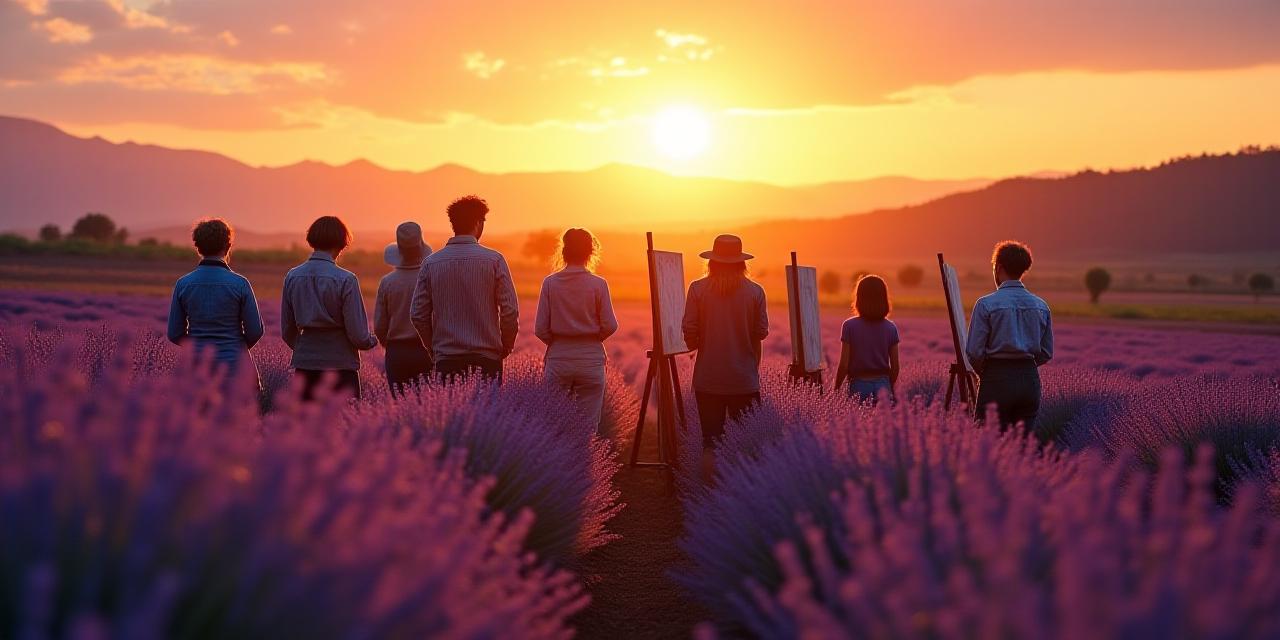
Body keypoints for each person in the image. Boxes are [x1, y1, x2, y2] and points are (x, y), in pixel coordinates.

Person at [411, 195, 518, 382]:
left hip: (447, 358)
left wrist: (432, 347)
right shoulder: (494, 260)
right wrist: (506, 345)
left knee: (449, 403)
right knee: (487, 402)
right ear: (478, 223)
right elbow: (510, 310)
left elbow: (418, 314)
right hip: (487, 358)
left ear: (453, 223)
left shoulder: (431, 263)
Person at [682, 234, 769, 451]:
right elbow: (760, 332)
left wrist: (702, 340)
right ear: (742, 263)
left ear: (711, 262)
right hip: (744, 380)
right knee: (747, 447)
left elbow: (690, 333)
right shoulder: (756, 292)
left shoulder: (697, 289)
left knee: (710, 444)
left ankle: (710, 475)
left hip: (708, 379)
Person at [281, 216, 378, 400]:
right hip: (341, 366)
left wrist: (306, 349)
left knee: (305, 417)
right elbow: (358, 335)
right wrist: (372, 340)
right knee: (345, 417)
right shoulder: (346, 279)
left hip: (305, 366)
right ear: (341, 244)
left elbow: (287, 330)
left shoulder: (292, 276)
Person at [966, 240, 1054, 432]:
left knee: (990, 441)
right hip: (1029, 380)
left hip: (996, 377)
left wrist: (987, 372)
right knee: (1024, 442)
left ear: (998, 268)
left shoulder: (986, 304)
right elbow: (1047, 352)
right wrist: (1024, 366)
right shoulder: (1041, 305)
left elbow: (973, 352)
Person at [534, 228, 619, 428]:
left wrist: (559, 341)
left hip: (559, 359)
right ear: (590, 252)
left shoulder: (550, 283)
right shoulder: (599, 284)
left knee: (554, 426)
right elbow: (610, 325)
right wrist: (592, 338)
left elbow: (540, 329)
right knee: (588, 428)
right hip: (590, 360)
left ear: (564, 251)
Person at [166, 218, 264, 386]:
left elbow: (174, 333)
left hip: (196, 370)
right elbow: (255, 331)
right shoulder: (240, 284)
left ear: (198, 248)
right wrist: (234, 348)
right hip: (235, 371)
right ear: (228, 246)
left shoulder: (183, 284)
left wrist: (197, 348)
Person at [375, 221, 433, 396]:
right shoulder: (429, 278)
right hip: (426, 350)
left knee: (398, 403)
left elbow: (379, 325)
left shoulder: (387, 282)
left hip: (397, 352)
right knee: (428, 403)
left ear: (399, 250)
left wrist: (388, 344)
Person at [832, 275, 899, 404]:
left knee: (857, 417)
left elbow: (844, 365)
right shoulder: (891, 328)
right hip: (883, 385)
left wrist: (836, 389)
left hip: (858, 385)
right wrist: (888, 386)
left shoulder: (849, 326)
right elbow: (895, 367)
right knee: (884, 417)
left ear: (859, 298)